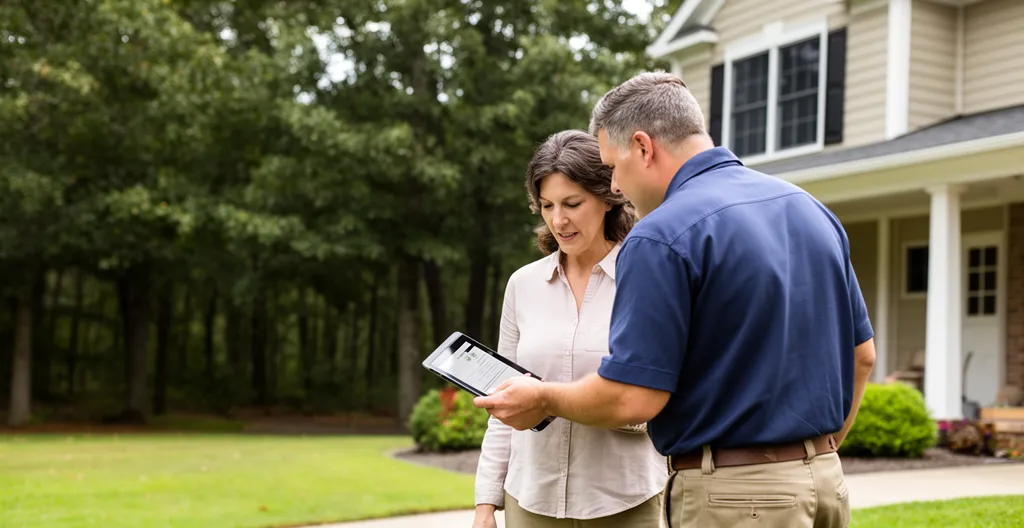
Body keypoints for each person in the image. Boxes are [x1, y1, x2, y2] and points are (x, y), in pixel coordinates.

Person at [473, 72, 877, 528]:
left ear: (644, 147)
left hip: (733, 497)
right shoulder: (811, 209)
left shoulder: (663, 234)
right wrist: (811, 456)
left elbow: (634, 399)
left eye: (614, 167)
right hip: (826, 481)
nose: (618, 188)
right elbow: (862, 356)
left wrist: (543, 397)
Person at [472, 129, 667, 528]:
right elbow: (502, 403)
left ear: (607, 196)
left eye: (572, 203)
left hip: (625, 500)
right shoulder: (522, 286)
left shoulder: (645, 277)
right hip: (530, 500)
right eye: (546, 205)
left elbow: (659, 393)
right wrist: (485, 504)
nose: (558, 220)